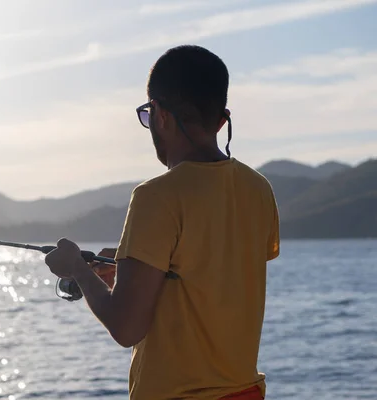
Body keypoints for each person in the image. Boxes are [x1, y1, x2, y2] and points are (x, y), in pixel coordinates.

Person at [44, 44, 280, 400]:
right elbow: (211, 276)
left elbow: (126, 327)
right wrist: (129, 263)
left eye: (147, 115)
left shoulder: (156, 196)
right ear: (220, 119)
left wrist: (77, 268)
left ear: (161, 115)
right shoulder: (258, 188)